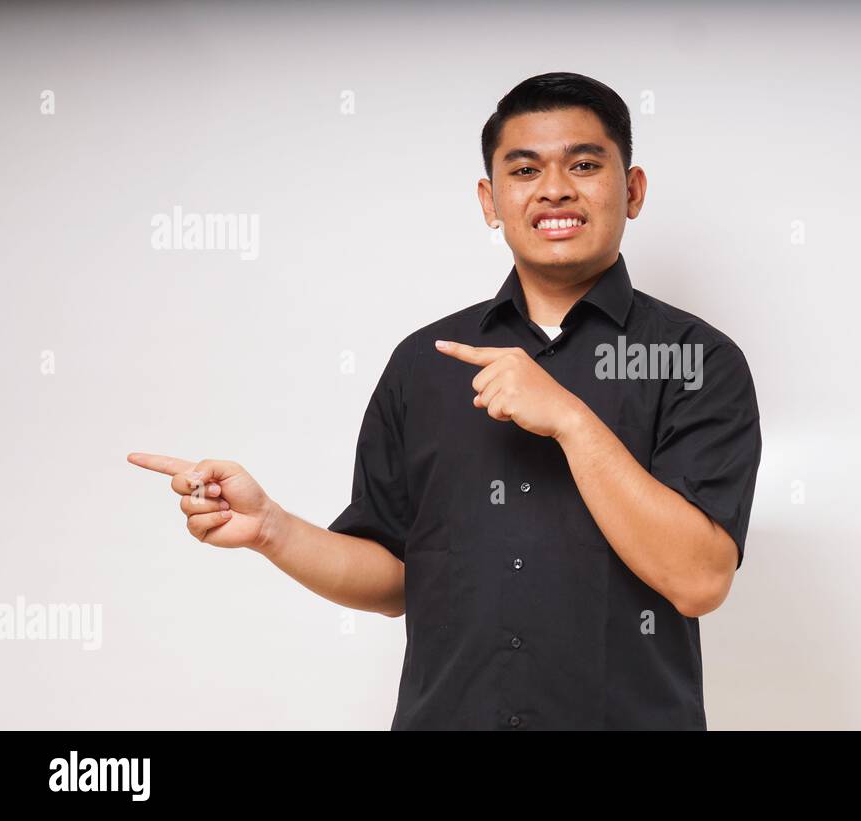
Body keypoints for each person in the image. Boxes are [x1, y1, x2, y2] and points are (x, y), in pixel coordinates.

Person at [128, 72, 762, 730]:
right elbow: (395, 576)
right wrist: (272, 529)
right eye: (525, 169)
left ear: (631, 190)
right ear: (491, 201)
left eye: (583, 163)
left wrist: (571, 419)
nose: (554, 189)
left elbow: (699, 579)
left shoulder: (697, 361)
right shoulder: (424, 362)